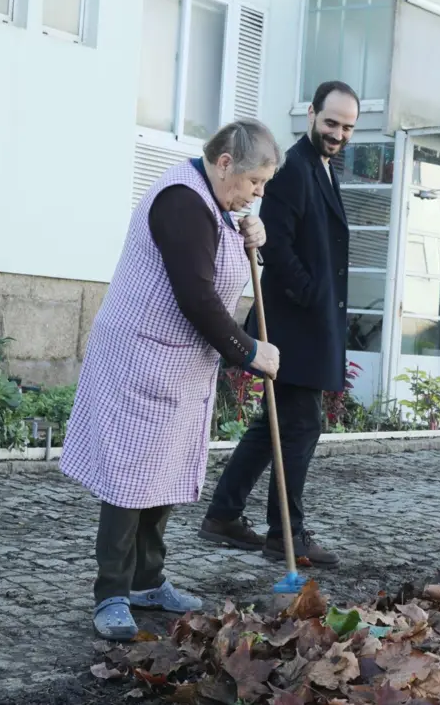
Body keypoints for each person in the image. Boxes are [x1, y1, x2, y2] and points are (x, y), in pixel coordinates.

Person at [60, 120, 282, 641]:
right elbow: (198, 298)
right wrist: (249, 351)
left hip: (177, 365)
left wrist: (256, 235)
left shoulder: (217, 203)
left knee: (160, 471)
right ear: (225, 162)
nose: (258, 193)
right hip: (138, 358)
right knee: (128, 476)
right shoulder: (182, 202)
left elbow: (224, 267)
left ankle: (147, 580)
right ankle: (111, 593)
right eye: (255, 182)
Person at [198, 81, 360, 568]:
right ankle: (285, 533)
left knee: (273, 427)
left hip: (310, 323)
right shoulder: (292, 169)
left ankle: (224, 514)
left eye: (347, 127)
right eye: (330, 122)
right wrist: (311, 294)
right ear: (311, 114)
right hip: (293, 323)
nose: (337, 134)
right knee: (300, 426)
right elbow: (278, 246)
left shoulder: (323, 170)